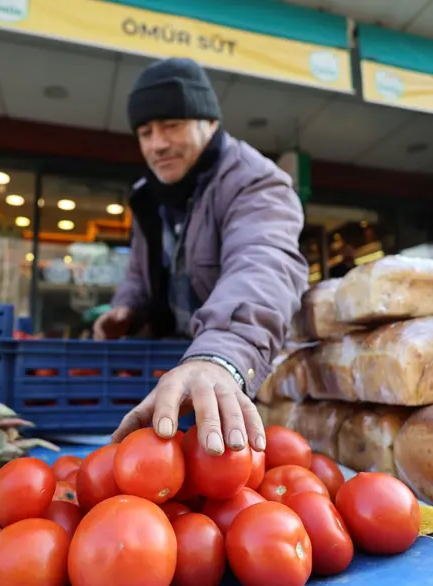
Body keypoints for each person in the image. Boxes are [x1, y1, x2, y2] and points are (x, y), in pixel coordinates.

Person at [96, 58, 307, 455]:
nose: (157, 144)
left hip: (231, 377)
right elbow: (140, 273)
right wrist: (126, 307)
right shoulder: (147, 195)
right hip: (166, 371)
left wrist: (218, 357)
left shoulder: (256, 182)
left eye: (171, 125)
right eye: (145, 132)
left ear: (209, 122)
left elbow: (263, 264)